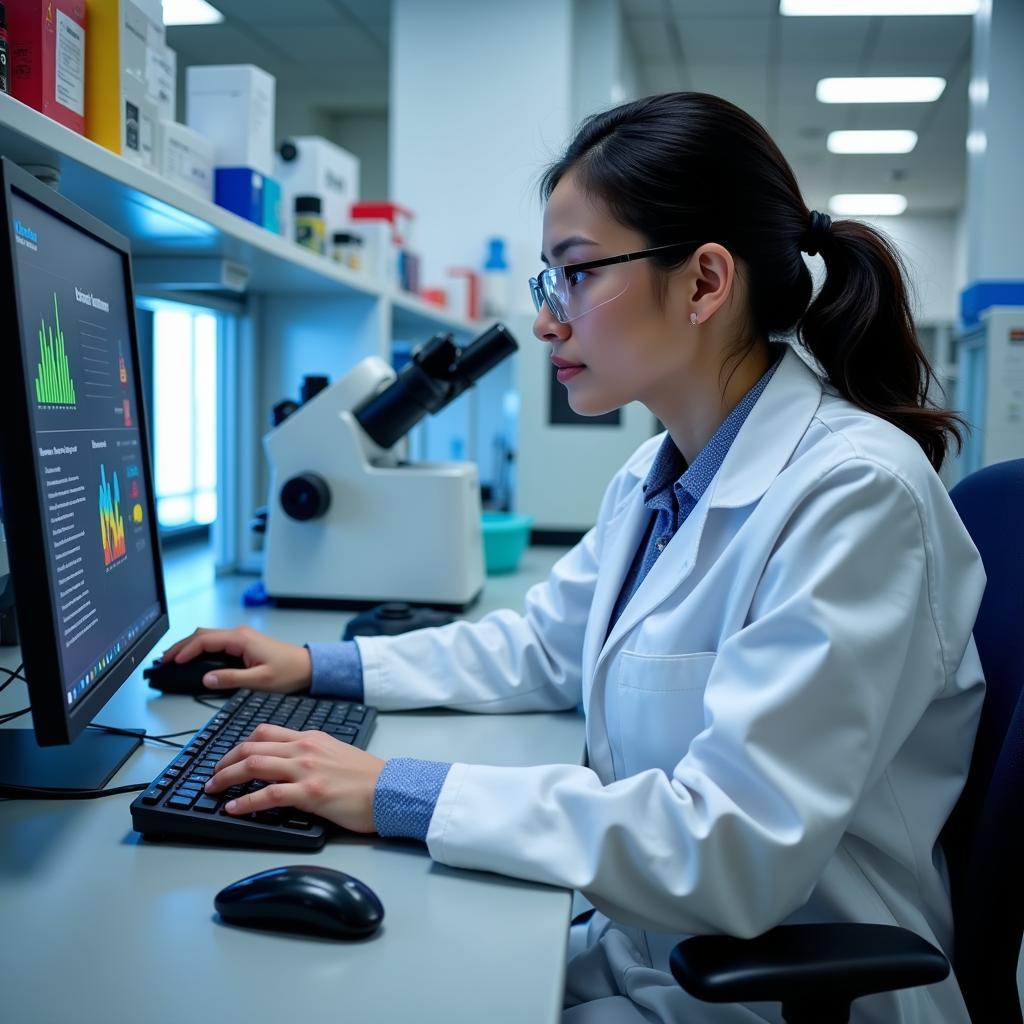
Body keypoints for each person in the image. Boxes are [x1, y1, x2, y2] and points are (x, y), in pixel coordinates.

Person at [162, 93, 985, 1023]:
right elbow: (543, 647)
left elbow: (734, 847)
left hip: (776, 991)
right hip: (652, 948)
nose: (549, 321)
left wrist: (395, 790)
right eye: (549, 282)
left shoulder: (856, 495)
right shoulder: (658, 474)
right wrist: (321, 666)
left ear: (706, 282)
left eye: (577, 275)